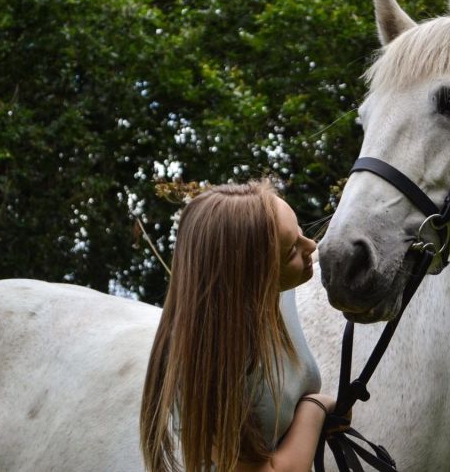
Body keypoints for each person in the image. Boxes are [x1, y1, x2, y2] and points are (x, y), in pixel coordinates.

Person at [140, 180, 333, 472]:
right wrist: (315, 409)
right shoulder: (206, 364)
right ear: (250, 275)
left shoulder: (279, 293)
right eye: (292, 250)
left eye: (301, 233)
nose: (312, 247)